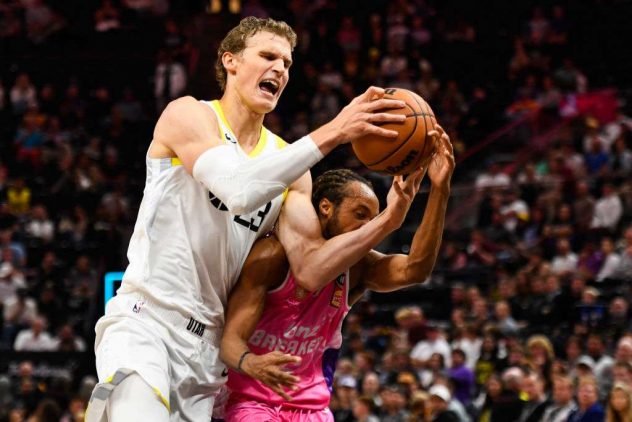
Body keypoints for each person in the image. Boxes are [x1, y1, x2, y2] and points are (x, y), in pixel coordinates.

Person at [86, 16, 409, 422]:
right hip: (145, 322)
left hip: (208, 352)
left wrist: (389, 220)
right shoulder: (188, 115)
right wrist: (334, 131)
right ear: (231, 61)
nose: (280, 69)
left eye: (287, 63)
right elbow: (237, 190)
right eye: (268, 56)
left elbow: (310, 270)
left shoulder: (293, 169)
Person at [219, 127, 454, 420]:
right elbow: (229, 341)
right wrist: (251, 363)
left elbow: (415, 269)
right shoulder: (272, 257)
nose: (367, 227)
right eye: (360, 214)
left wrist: (440, 190)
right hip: (251, 401)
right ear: (326, 208)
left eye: (373, 218)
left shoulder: (358, 267)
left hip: (312, 408)